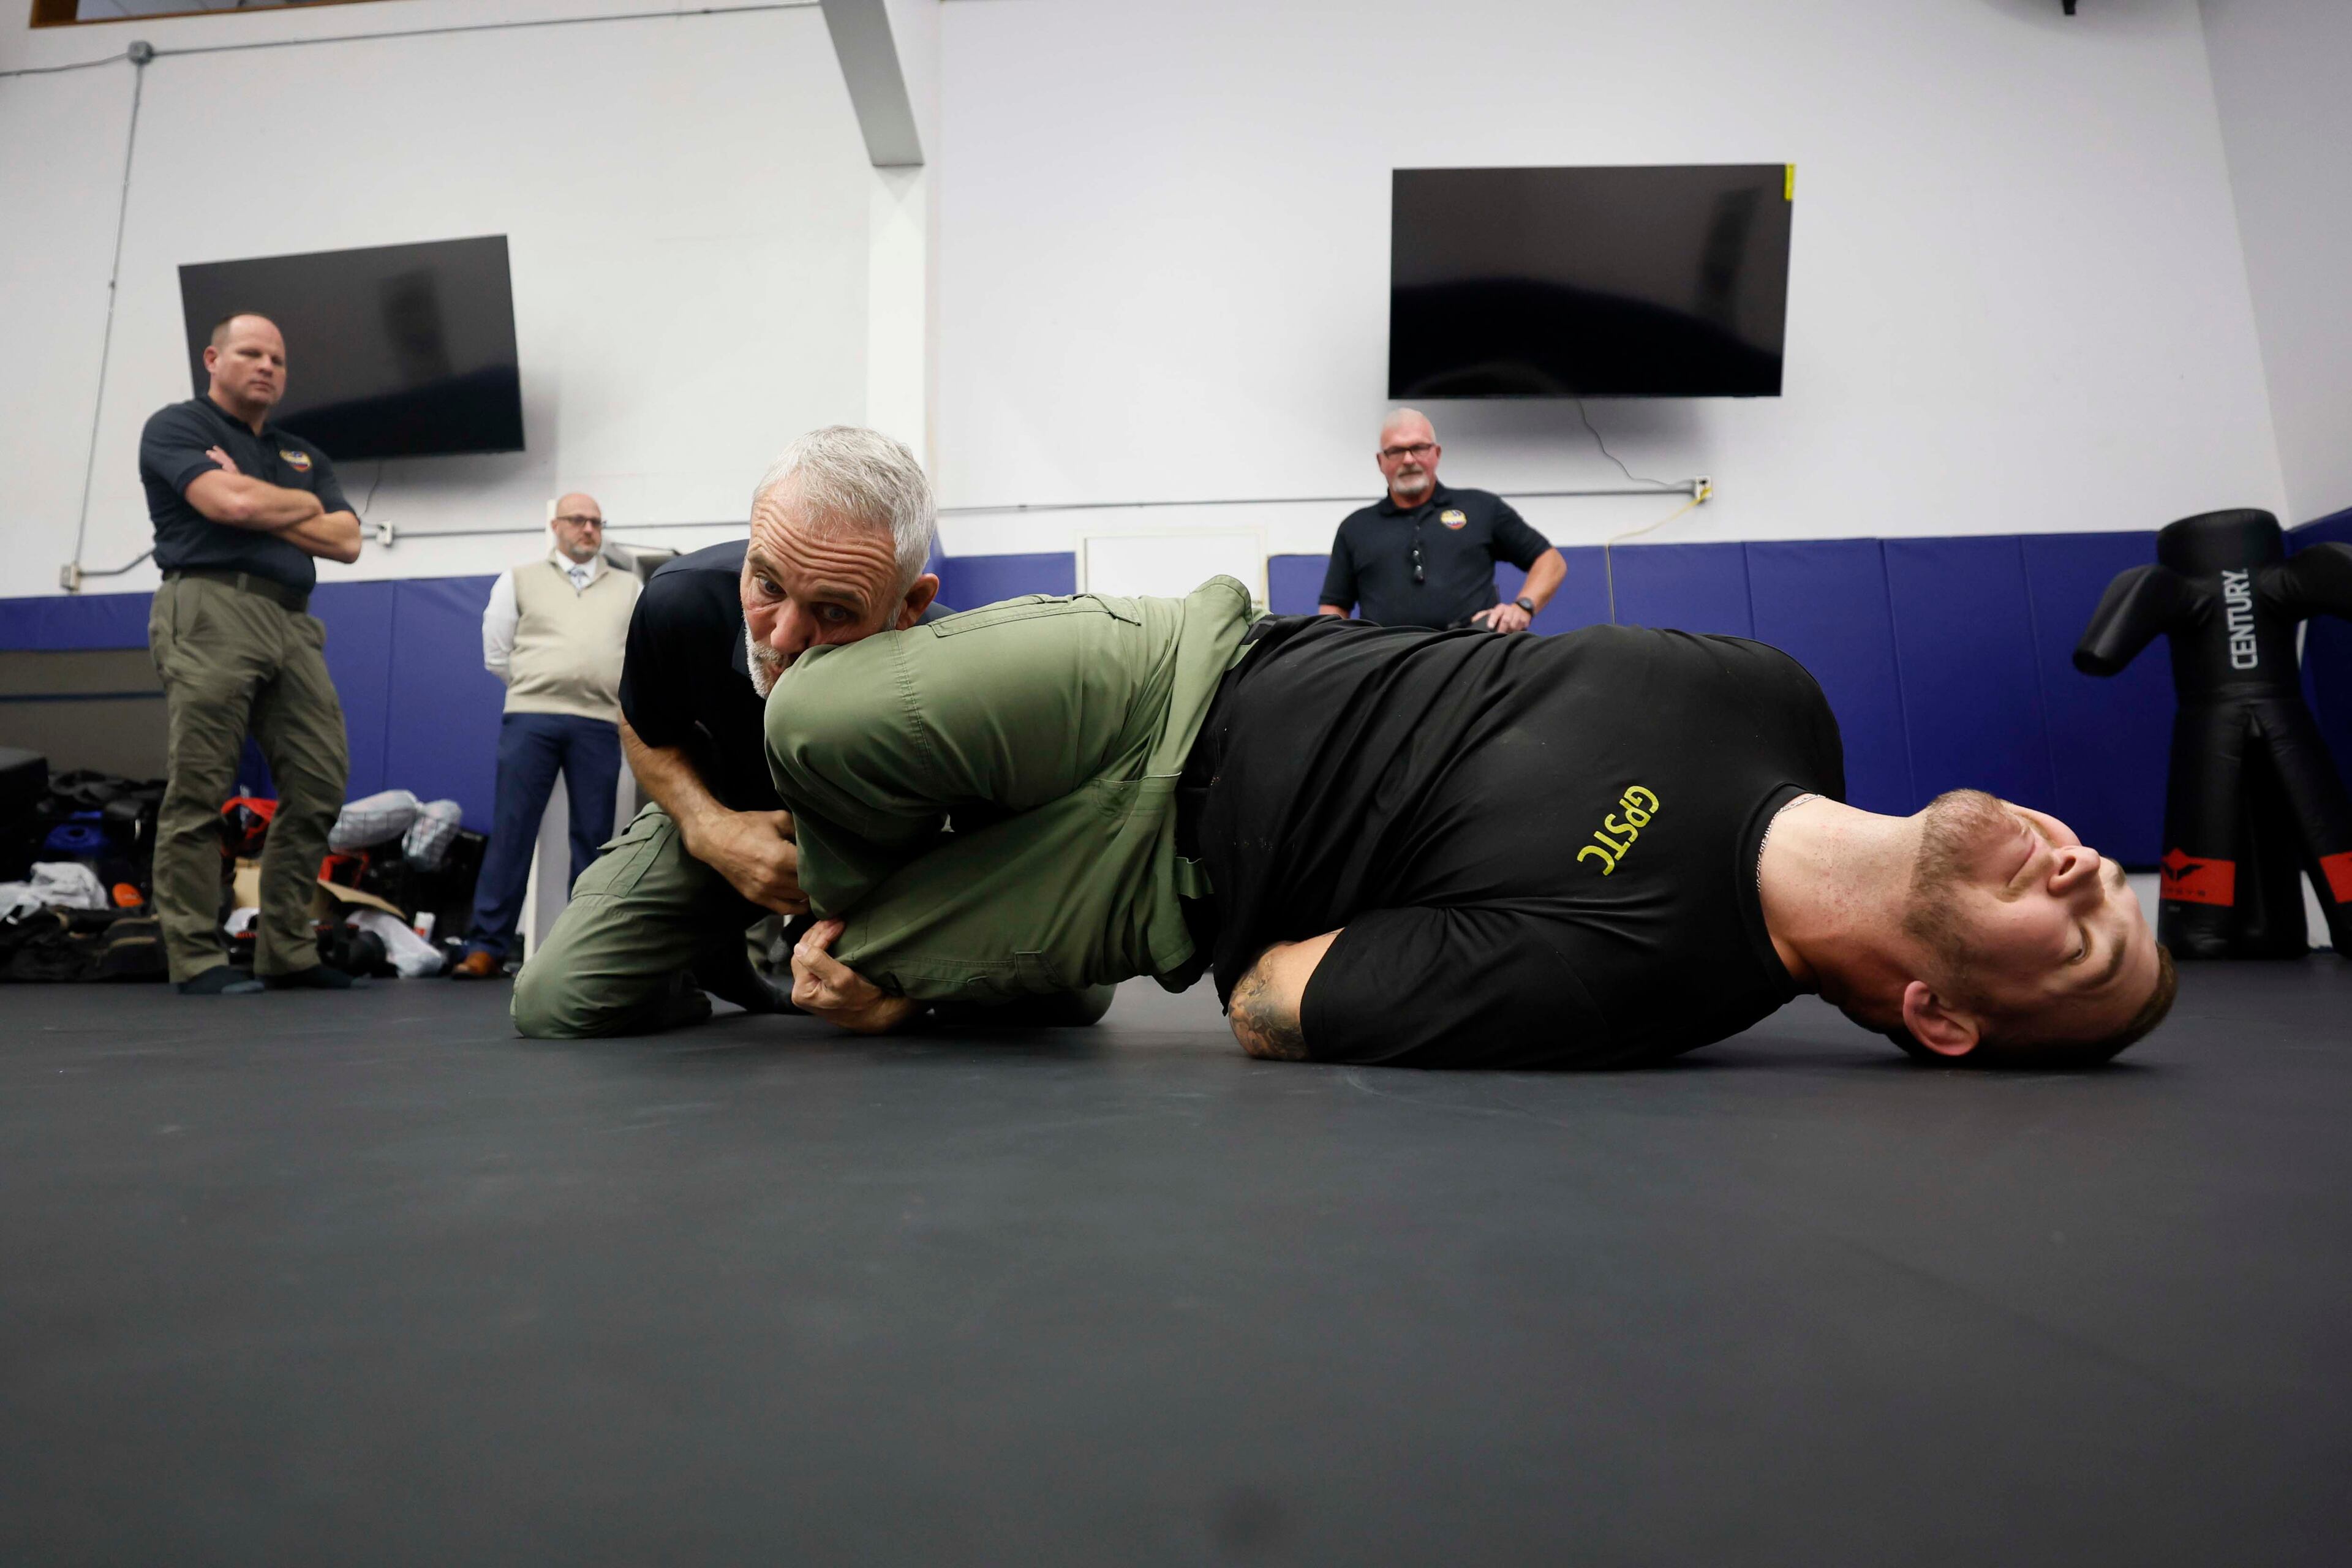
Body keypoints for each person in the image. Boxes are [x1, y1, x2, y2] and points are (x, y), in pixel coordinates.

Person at [767, 605, 2176, 1071]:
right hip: (1194, 665)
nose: (2095, 878)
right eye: (2114, 889)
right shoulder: (1777, 695)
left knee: (828, 961)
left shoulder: (1633, 983)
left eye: (2084, 940)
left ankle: (945, 939)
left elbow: (1269, 1000)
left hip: (1142, 876)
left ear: (1934, 1015)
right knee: (811, 722)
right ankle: (751, 829)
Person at [508, 427, 1113, 1038]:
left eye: (835, 611)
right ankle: (694, 961)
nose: (781, 638)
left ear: (907, 606)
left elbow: (1028, 854)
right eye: (767, 584)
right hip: (737, 818)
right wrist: (709, 828)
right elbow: (645, 726)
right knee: (551, 1001)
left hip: (906, 861)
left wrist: (906, 991)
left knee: (1078, 997)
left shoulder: (965, 674)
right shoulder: (682, 602)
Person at [138, 312, 363, 996]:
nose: (267, 366)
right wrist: (296, 511)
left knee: (321, 782)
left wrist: (265, 499)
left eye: (278, 358)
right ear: (214, 358)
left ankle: (286, 950)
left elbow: (349, 540)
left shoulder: (301, 452)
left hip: (293, 622)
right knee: (203, 787)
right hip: (210, 608)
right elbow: (227, 504)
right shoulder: (177, 428)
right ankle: (196, 955)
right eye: (251, 353)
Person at [450, 494, 641, 979]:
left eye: (597, 522)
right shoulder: (519, 578)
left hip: (600, 722)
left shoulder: (630, 586)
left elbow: (639, 651)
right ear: (555, 526)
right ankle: (487, 947)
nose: (589, 530)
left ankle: (583, 946)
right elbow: (497, 651)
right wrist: (538, 684)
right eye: (579, 521)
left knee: (595, 839)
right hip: (531, 717)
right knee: (512, 830)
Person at [1317, 409, 1567, 631]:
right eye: (1396, 451)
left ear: (1436, 453)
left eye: (1419, 448)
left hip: (1476, 657)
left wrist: (1522, 608)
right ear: (1381, 462)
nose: (1408, 460)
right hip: (1390, 669)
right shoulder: (1356, 528)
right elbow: (1334, 607)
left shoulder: (1482, 508)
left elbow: (1550, 561)